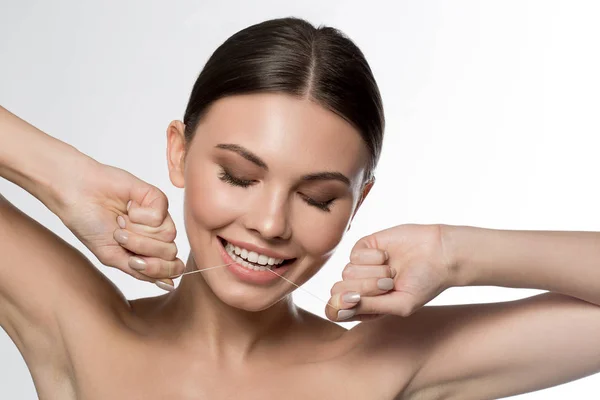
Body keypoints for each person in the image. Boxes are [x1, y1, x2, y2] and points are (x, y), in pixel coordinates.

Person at [1, 16, 600, 400]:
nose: (270, 224)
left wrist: (456, 254)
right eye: (238, 176)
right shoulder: (79, 324)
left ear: (357, 202)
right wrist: (64, 177)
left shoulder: (385, 365)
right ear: (179, 154)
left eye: (317, 198)